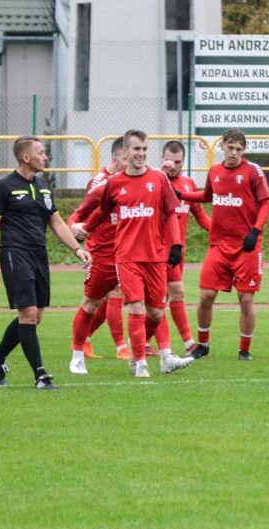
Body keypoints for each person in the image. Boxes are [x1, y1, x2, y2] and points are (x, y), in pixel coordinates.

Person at [79, 129, 193, 378]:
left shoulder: (159, 180)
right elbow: (101, 211)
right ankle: (139, 363)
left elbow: (172, 212)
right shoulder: (114, 182)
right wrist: (85, 229)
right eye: (136, 149)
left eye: (144, 149)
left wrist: (175, 245)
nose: (141, 154)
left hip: (155, 256)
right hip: (127, 256)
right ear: (125, 152)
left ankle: (152, 353)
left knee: (156, 312)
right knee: (136, 307)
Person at [0, 136, 91, 390]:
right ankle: (41, 375)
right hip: (14, 253)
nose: (45, 157)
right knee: (28, 314)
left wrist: (78, 249)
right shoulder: (4, 187)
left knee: (35, 316)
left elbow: (56, 222)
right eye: (41, 153)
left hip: (38, 255)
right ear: (25, 157)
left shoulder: (43, 186)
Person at [179, 129, 269, 361]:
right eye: (230, 148)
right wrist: (181, 194)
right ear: (222, 146)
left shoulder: (253, 171)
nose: (234, 153)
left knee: (246, 298)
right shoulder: (215, 171)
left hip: (246, 246)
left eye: (239, 149)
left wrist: (255, 230)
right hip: (219, 244)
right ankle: (203, 344)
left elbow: (265, 204)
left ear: (244, 150)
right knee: (205, 296)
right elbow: (207, 196)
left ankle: (244, 349)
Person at [70, 137, 130, 361]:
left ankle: (85, 340)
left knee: (107, 304)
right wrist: (75, 228)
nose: (130, 162)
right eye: (126, 157)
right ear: (115, 157)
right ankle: (120, 347)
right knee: (103, 299)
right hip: (100, 249)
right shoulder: (100, 182)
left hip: (122, 248)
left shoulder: (129, 180)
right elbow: (81, 213)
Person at [160, 140, 211, 355]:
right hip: (157, 250)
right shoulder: (154, 181)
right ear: (162, 158)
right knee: (169, 295)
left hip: (177, 252)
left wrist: (225, 232)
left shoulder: (188, 184)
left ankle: (143, 341)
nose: (173, 165)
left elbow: (200, 216)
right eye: (169, 160)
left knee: (171, 297)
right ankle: (187, 343)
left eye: (178, 161)